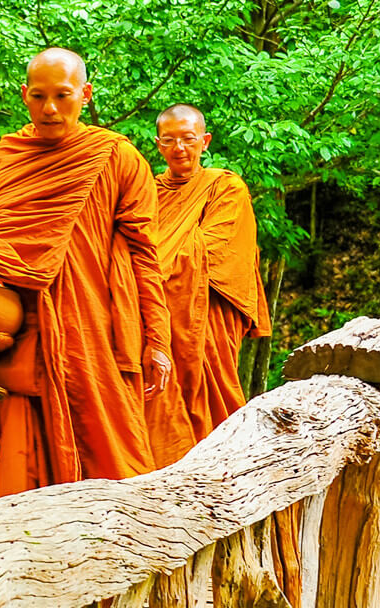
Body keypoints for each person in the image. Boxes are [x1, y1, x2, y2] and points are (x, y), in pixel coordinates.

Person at [0, 48, 173, 499]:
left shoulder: (115, 156)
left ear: (84, 94)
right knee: (15, 465)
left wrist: (156, 340)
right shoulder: (6, 156)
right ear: (24, 96)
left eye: (62, 96)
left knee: (114, 466)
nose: (50, 109)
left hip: (91, 334)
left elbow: (145, 253)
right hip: (16, 330)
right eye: (39, 96)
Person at [144, 104, 271, 465]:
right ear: (158, 145)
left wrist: (151, 275)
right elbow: (129, 246)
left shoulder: (225, 187)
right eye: (169, 140)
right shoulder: (147, 192)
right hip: (155, 314)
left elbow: (220, 248)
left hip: (206, 315)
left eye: (188, 139)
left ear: (205, 141)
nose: (180, 148)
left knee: (212, 411)